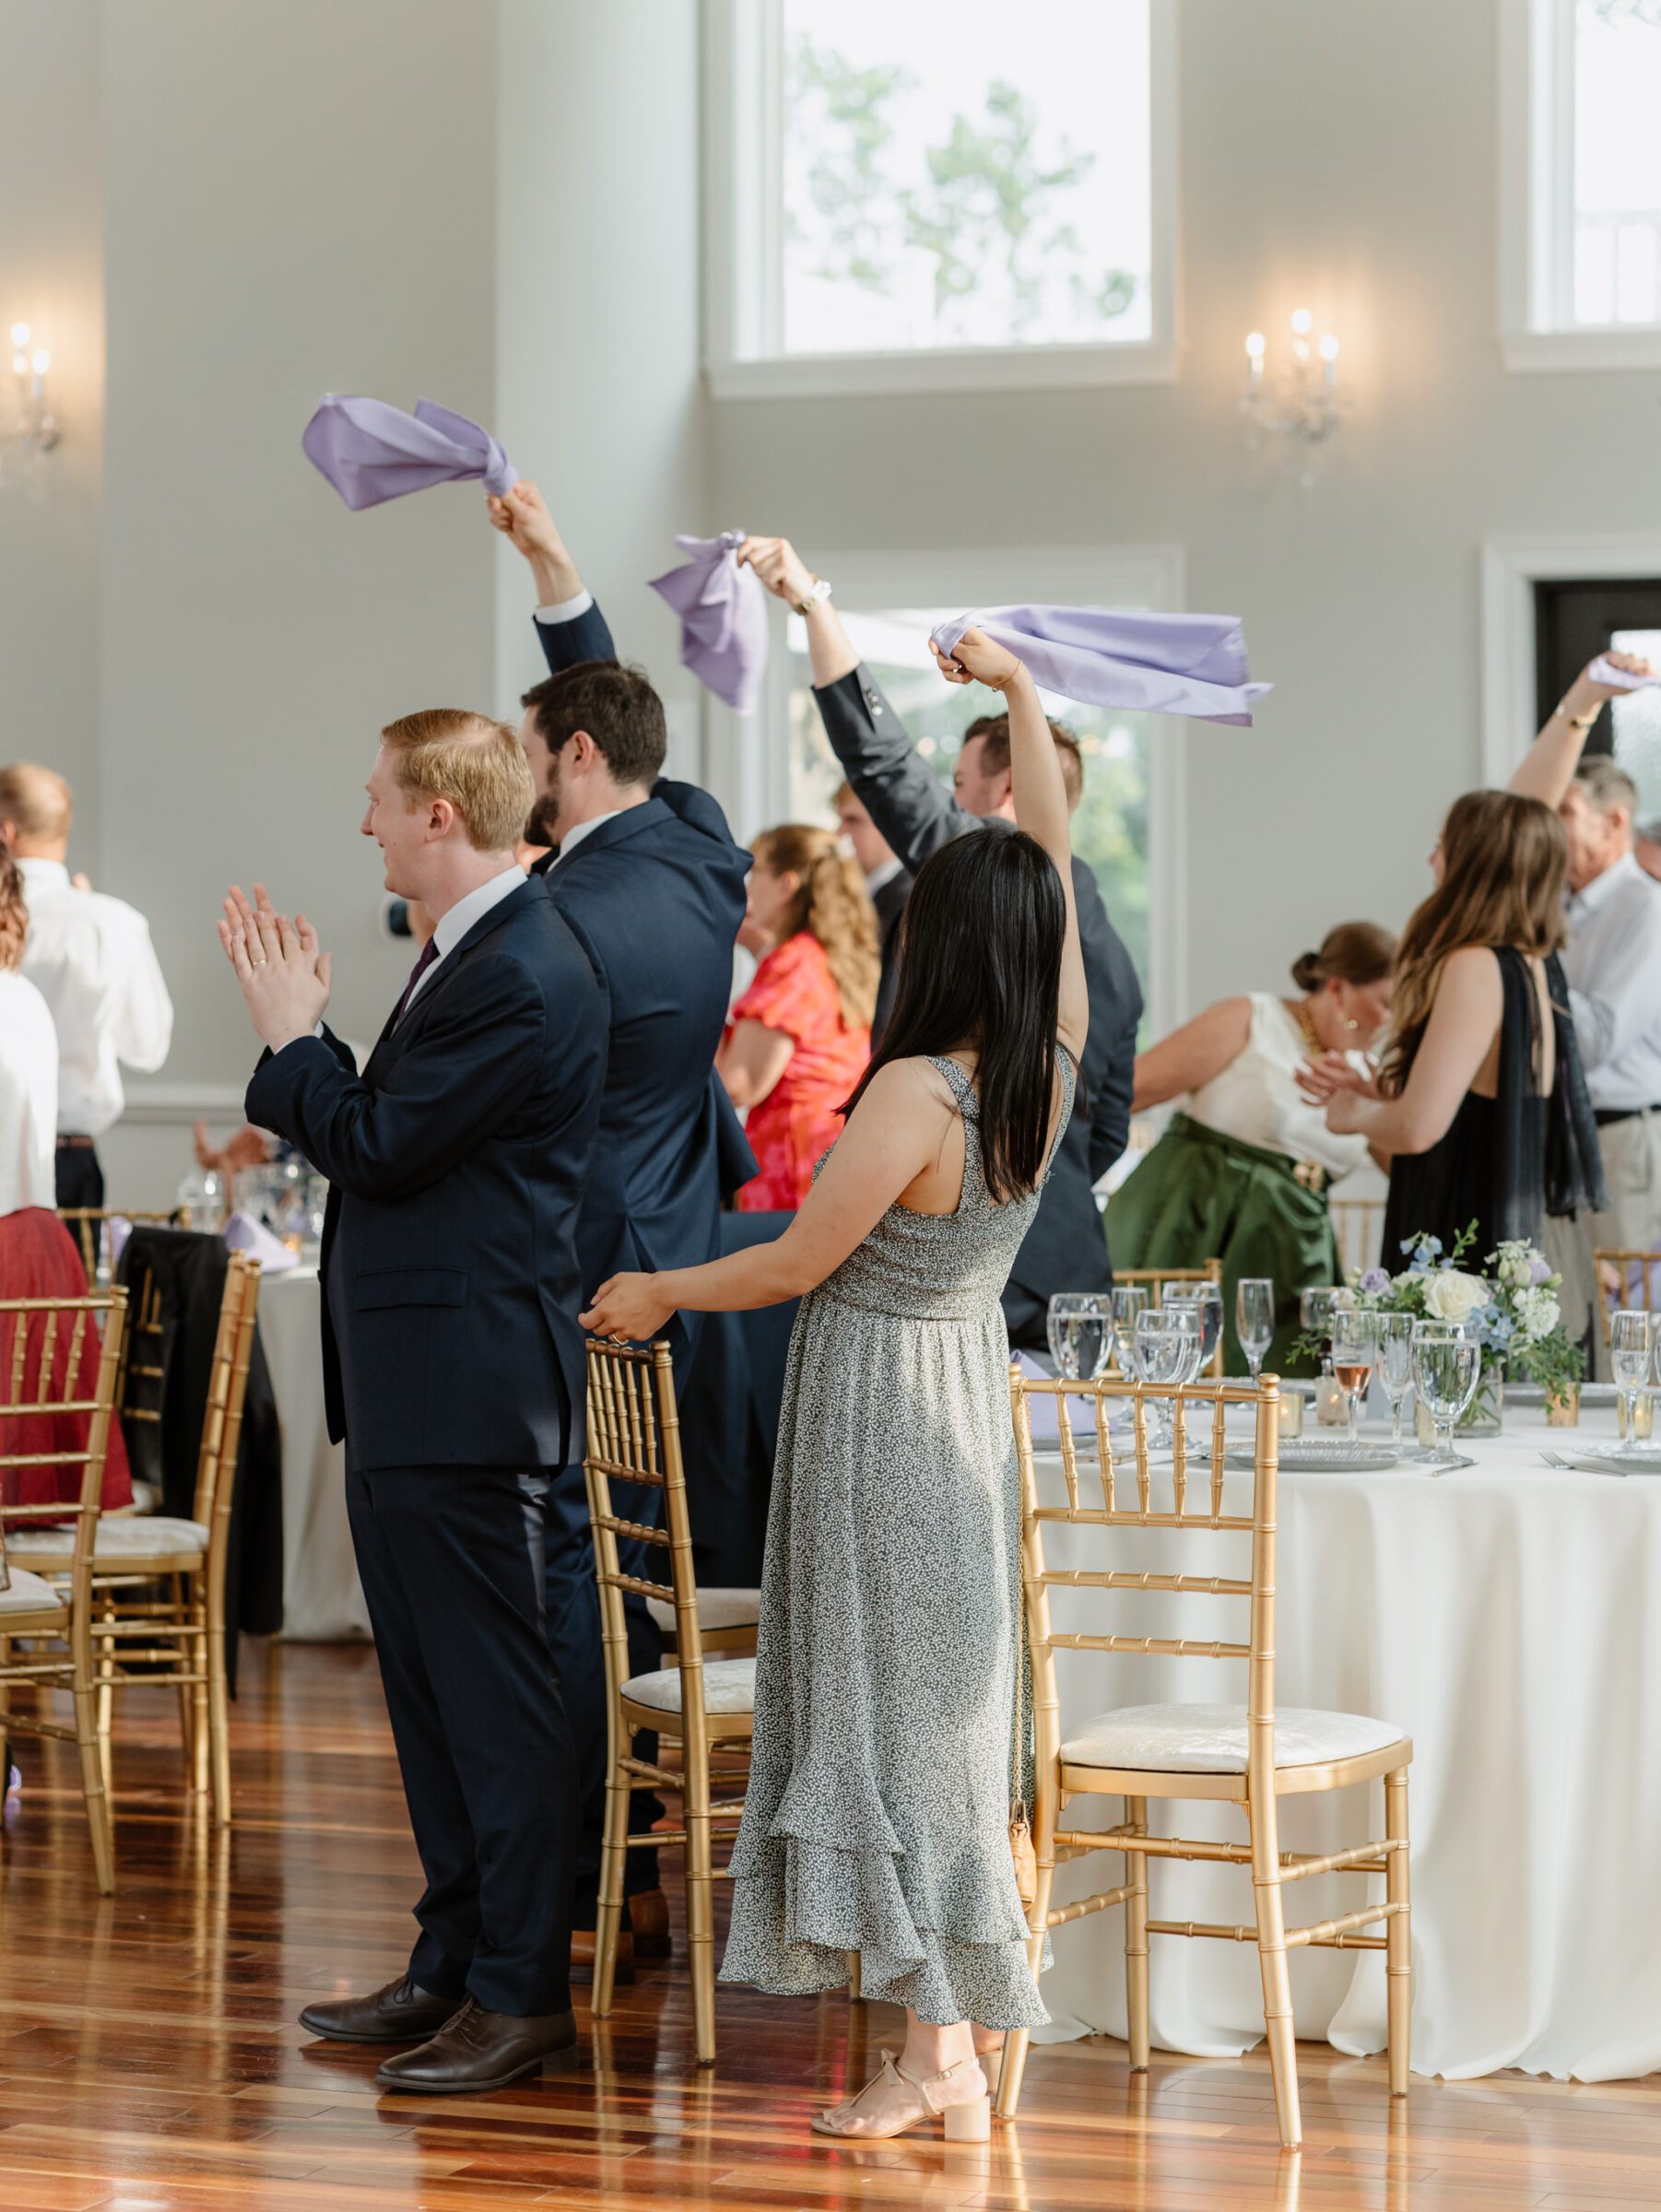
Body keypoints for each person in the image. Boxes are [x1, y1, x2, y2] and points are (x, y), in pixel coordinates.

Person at [583, 624, 1081, 2142]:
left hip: (878, 1412)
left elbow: (799, 1263)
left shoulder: (914, 1092)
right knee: (936, 1722)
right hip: (962, 1404)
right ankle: (945, 2048)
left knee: (898, 1733)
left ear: (934, 947)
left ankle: (938, 2057)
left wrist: (664, 1281)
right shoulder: (1043, 1068)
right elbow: (1047, 878)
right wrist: (1023, 700)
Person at [219, 709, 607, 2096]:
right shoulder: (472, 954)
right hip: (423, 1388)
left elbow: (379, 1148)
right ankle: (452, 1959)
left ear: (440, 813)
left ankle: (519, 1994)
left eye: (379, 799)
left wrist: (292, 1039)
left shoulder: (518, 965)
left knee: (494, 1709)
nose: (365, 821)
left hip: (474, 1392)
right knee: (432, 1701)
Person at [491, 480, 756, 1970]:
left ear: (572, 763)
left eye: (535, 759)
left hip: (589, 1272)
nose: (525, 780)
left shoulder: (566, 920)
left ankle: (604, 1871)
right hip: (688, 1247)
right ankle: (641, 1860)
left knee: (586, 1583)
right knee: (644, 1571)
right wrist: (553, 570)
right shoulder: (703, 843)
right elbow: (615, 722)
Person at [736, 535, 1141, 1349]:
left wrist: (813, 605)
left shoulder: (984, 878)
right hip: (1063, 1261)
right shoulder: (1102, 943)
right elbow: (1106, 1132)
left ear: (1008, 796)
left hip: (956, 1288)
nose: (941, 809)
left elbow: (881, 764)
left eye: (958, 790)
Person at [1302, 792, 1602, 1264]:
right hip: (1499, 1213)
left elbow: (1419, 1129)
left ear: (1473, 864)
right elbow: (1478, 1103)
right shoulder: (1531, 962)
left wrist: (1352, 1114)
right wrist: (1377, 1091)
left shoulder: (1474, 965)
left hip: (1458, 1228)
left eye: (1442, 845)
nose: (1431, 859)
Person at [1107, 923, 1396, 1372]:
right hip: (1198, 1230)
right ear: (1338, 987)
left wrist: (1378, 1099)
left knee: (1287, 1400)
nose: (1388, 1021)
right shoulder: (1252, 1018)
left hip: (1296, 1256)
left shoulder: (1366, 1073)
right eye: (1384, 1003)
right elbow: (1127, 1092)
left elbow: (1409, 1162)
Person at [0, 764, 173, 1211]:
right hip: (71, 1155)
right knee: (72, 1283)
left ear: (6, 832)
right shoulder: (112, 924)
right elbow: (147, 1048)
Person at [719, 825, 878, 1211]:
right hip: (826, 1156)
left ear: (786, 885)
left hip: (792, 1162)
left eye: (754, 875)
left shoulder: (792, 962)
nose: (747, 889)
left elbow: (739, 1083)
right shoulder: (826, 955)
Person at [834, 781, 911, 1041]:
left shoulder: (907, 901)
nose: (839, 832)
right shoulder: (856, 894)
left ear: (891, 824)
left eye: (853, 820)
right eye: (840, 819)